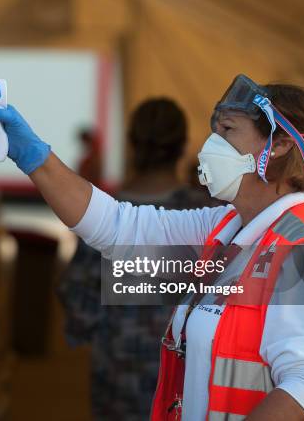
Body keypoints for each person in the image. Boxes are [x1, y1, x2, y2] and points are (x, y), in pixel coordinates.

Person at [0, 74, 304, 420]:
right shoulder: (226, 229)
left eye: (227, 131)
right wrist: (32, 155)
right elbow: (118, 226)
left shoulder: (303, 249)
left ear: (277, 147)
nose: (212, 143)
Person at [57, 98, 215, 420]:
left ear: (131, 144)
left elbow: (80, 299)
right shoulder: (208, 216)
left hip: (118, 375)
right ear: (183, 146)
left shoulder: (102, 213)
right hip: (186, 379)